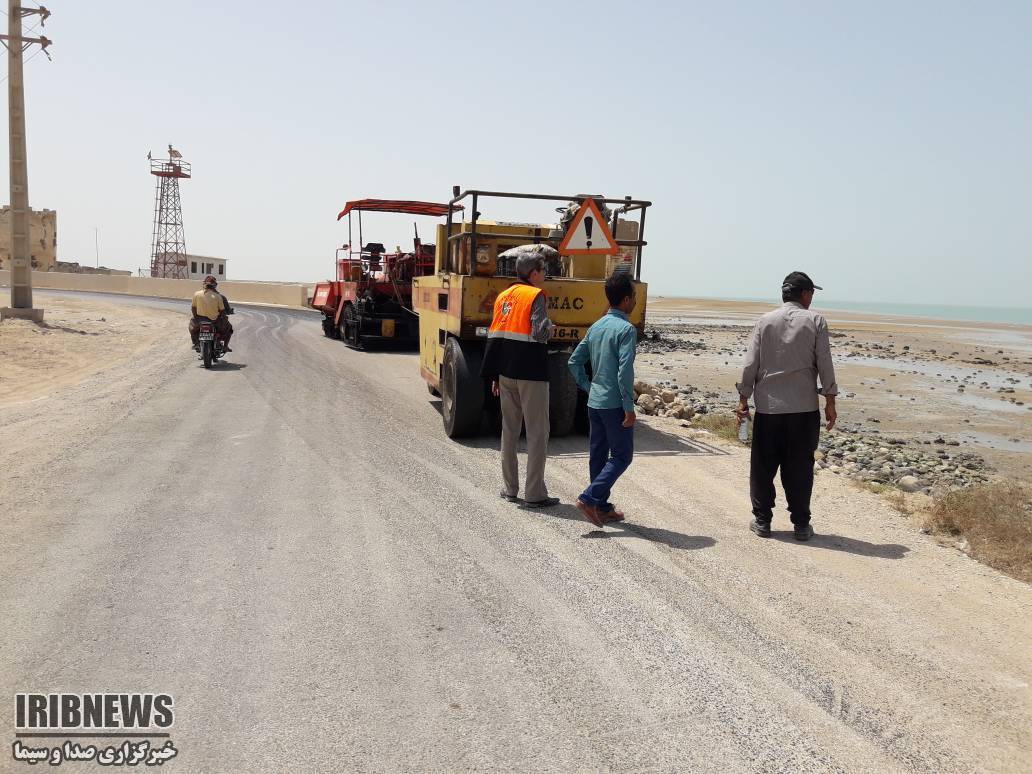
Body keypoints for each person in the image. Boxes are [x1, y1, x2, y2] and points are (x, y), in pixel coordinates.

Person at [735, 271, 838, 541]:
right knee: (800, 467)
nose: (812, 298)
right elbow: (824, 362)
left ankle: (762, 520)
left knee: (763, 466)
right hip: (803, 409)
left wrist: (743, 398)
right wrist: (830, 399)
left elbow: (750, 363)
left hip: (769, 408)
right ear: (805, 295)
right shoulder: (816, 321)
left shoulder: (765, 321)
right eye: (811, 293)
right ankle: (801, 524)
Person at [480, 252, 558, 508]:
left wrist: (493, 374)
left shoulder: (503, 296)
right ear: (533, 272)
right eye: (543, 270)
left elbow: (495, 336)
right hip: (531, 374)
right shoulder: (535, 295)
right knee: (537, 433)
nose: (545, 275)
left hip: (506, 373)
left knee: (510, 430)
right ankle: (534, 494)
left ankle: (509, 488)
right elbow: (538, 332)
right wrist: (551, 328)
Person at [567, 273, 638, 528]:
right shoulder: (627, 329)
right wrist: (629, 407)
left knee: (598, 455)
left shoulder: (596, 326)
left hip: (594, 402)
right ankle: (588, 498)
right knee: (621, 456)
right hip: (614, 404)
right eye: (635, 297)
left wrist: (589, 386)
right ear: (627, 299)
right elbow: (624, 371)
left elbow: (574, 361)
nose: (636, 302)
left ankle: (602, 506)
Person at [189, 275, 233, 352]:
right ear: (215, 285)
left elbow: (193, 309)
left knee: (192, 327)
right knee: (229, 328)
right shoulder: (218, 296)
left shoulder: (197, 294)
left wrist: (197, 319)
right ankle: (225, 346)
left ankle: (196, 343)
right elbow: (222, 311)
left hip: (200, 321)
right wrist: (224, 319)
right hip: (214, 321)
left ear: (204, 284)